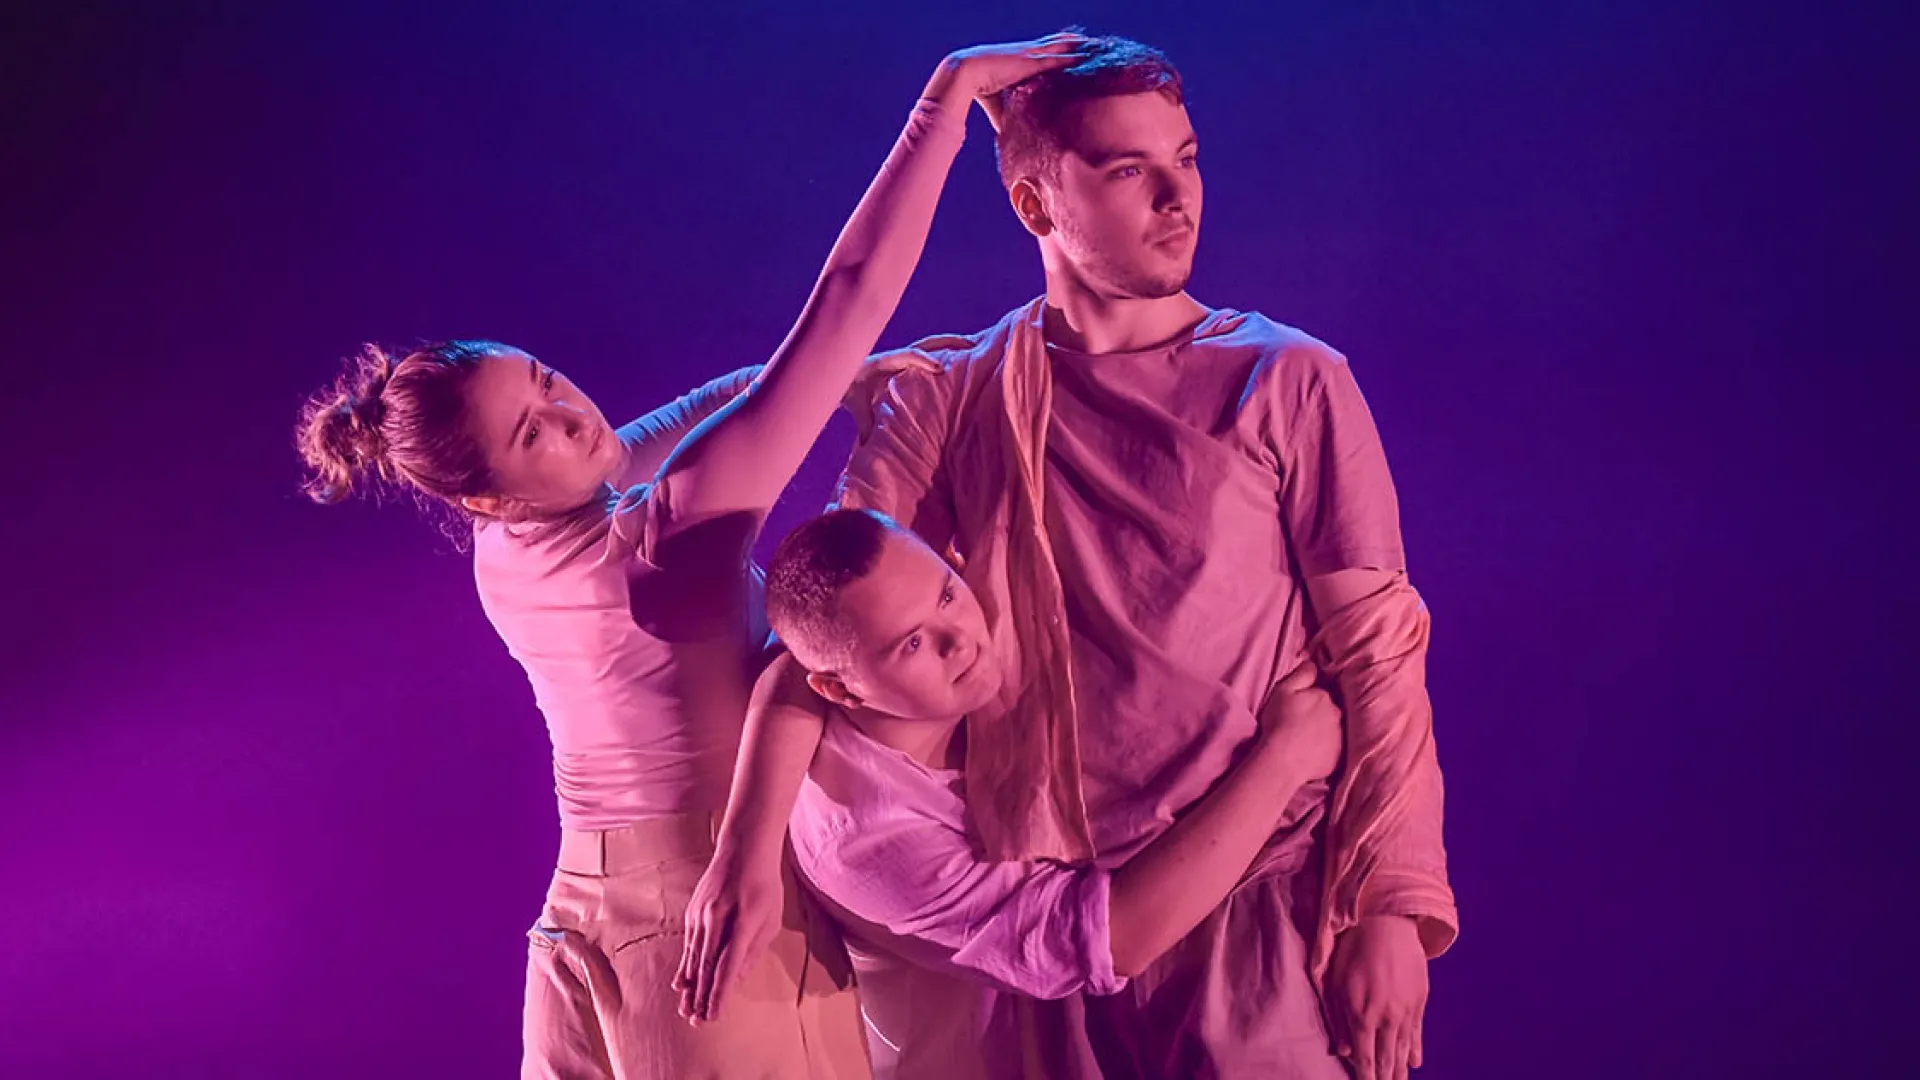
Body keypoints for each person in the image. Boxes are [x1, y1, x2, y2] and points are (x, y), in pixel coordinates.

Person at [292, 33, 1091, 1080]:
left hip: (579, 925)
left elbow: (635, 437)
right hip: (705, 927)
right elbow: (848, 294)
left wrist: (827, 383)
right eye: (532, 429)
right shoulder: (665, 534)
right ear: (485, 490)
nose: (567, 413)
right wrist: (944, 102)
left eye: (542, 376)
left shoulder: (502, 548)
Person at [680, 34, 1457, 1080]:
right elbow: (827, 633)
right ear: (1037, 207)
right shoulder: (956, 392)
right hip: (1053, 924)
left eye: (1185, 158)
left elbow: (1379, 659)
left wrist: (1392, 907)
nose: (1177, 196)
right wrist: (744, 851)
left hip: (1260, 896)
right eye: (1129, 170)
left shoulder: (1290, 379)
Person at [758, 508, 1345, 1079]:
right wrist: (1283, 759)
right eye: (911, 645)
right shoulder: (865, 837)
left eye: (946, 594)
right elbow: (1115, 939)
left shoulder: (954, 633)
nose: (958, 639)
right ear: (840, 690)